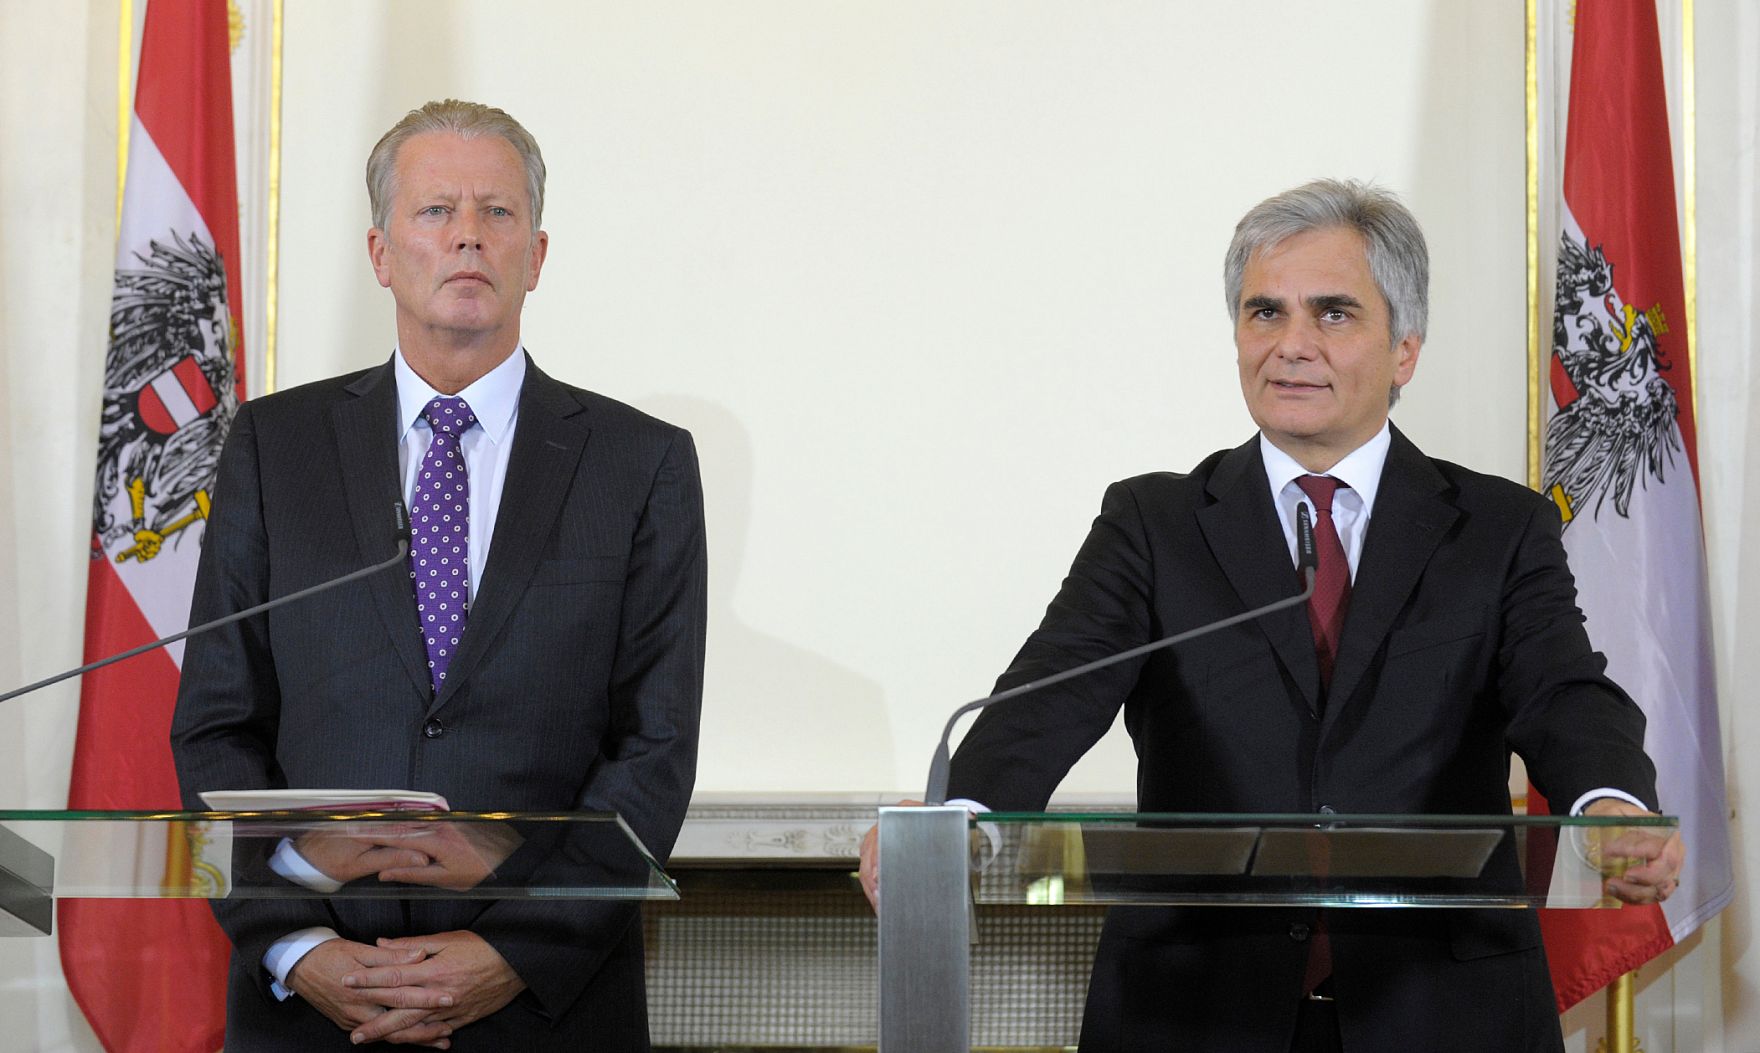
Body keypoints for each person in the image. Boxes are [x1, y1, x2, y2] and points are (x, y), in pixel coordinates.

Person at [858, 178, 1683, 1053]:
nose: (1291, 345)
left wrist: (1612, 798)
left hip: (1439, 1008)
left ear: (1405, 349)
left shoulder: (1498, 528)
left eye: (1332, 314)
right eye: (1264, 313)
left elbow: (1562, 688)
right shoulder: (1155, 524)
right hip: (1196, 1012)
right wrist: (963, 810)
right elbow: (1051, 689)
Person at [171, 99, 706, 1051]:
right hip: (314, 1005)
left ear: (537, 255)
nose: (468, 235)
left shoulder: (640, 463)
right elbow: (218, 727)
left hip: (545, 1005)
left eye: (497, 213)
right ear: (381, 253)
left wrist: (515, 954)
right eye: (436, 212)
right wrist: (296, 946)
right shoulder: (274, 447)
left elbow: (652, 746)